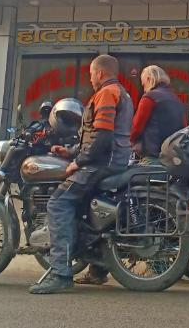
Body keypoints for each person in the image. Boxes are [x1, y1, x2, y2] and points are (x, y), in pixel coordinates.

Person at [29, 54, 133, 295]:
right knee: (83, 207)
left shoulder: (107, 94)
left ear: (100, 73)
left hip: (100, 164)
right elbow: (96, 136)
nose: (90, 79)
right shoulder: (121, 93)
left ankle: (60, 273)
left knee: (58, 203)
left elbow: (103, 137)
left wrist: (78, 161)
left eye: (90, 75)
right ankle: (98, 266)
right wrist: (70, 151)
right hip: (111, 160)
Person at [75, 64, 185, 287]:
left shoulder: (150, 98)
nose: (142, 85)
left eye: (143, 80)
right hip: (170, 162)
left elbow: (134, 128)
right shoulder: (175, 100)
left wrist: (128, 144)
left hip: (152, 158)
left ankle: (99, 267)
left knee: (112, 198)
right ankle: (160, 265)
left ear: (150, 79)